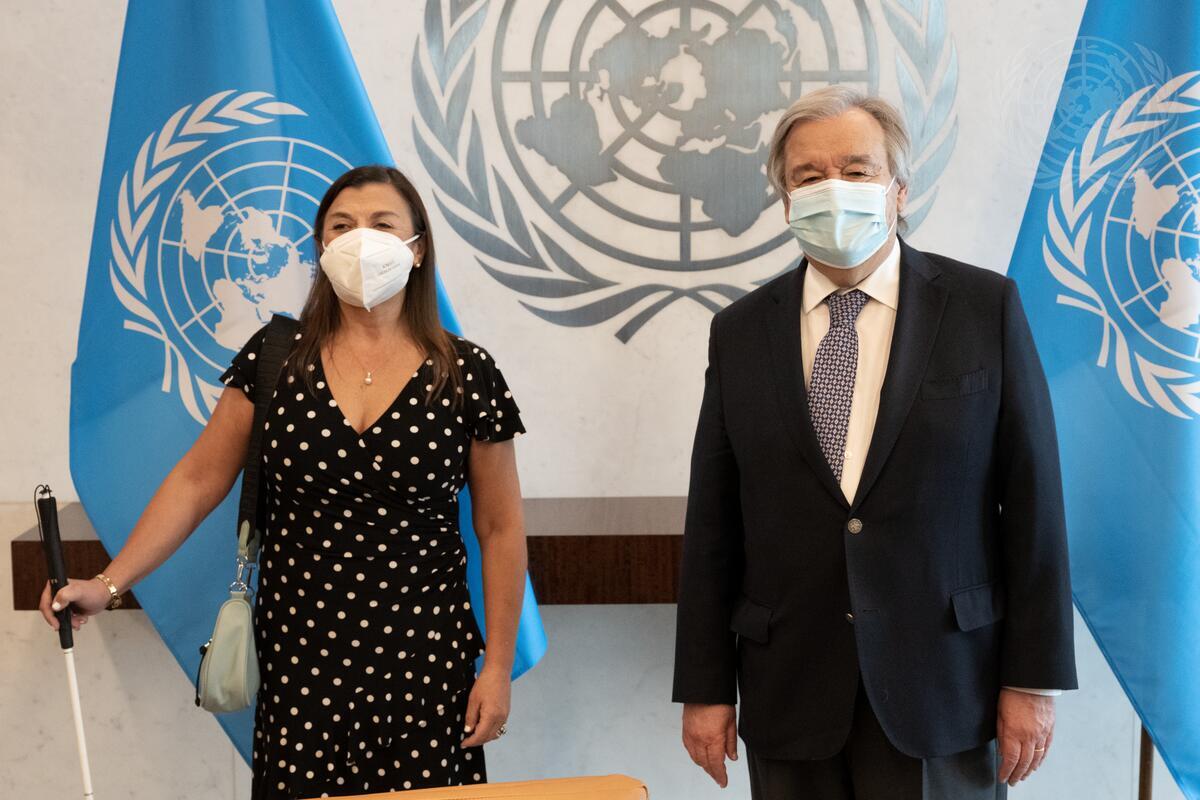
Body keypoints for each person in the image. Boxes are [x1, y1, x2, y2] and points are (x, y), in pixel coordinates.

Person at [40, 165, 529, 799]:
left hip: (425, 664)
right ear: (321, 249)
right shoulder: (276, 357)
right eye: (341, 226)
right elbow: (197, 480)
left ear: (417, 248)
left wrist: (497, 668)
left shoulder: (466, 373)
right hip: (303, 661)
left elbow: (500, 526)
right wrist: (107, 584)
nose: (360, 239)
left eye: (382, 225)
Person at [672, 86, 1077, 800]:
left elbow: (1034, 504)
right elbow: (714, 521)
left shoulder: (983, 309)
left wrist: (1033, 679)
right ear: (786, 201)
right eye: (809, 176)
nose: (833, 188)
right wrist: (704, 686)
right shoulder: (740, 333)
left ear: (898, 189)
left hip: (946, 686)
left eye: (857, 171)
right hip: (790, 686)